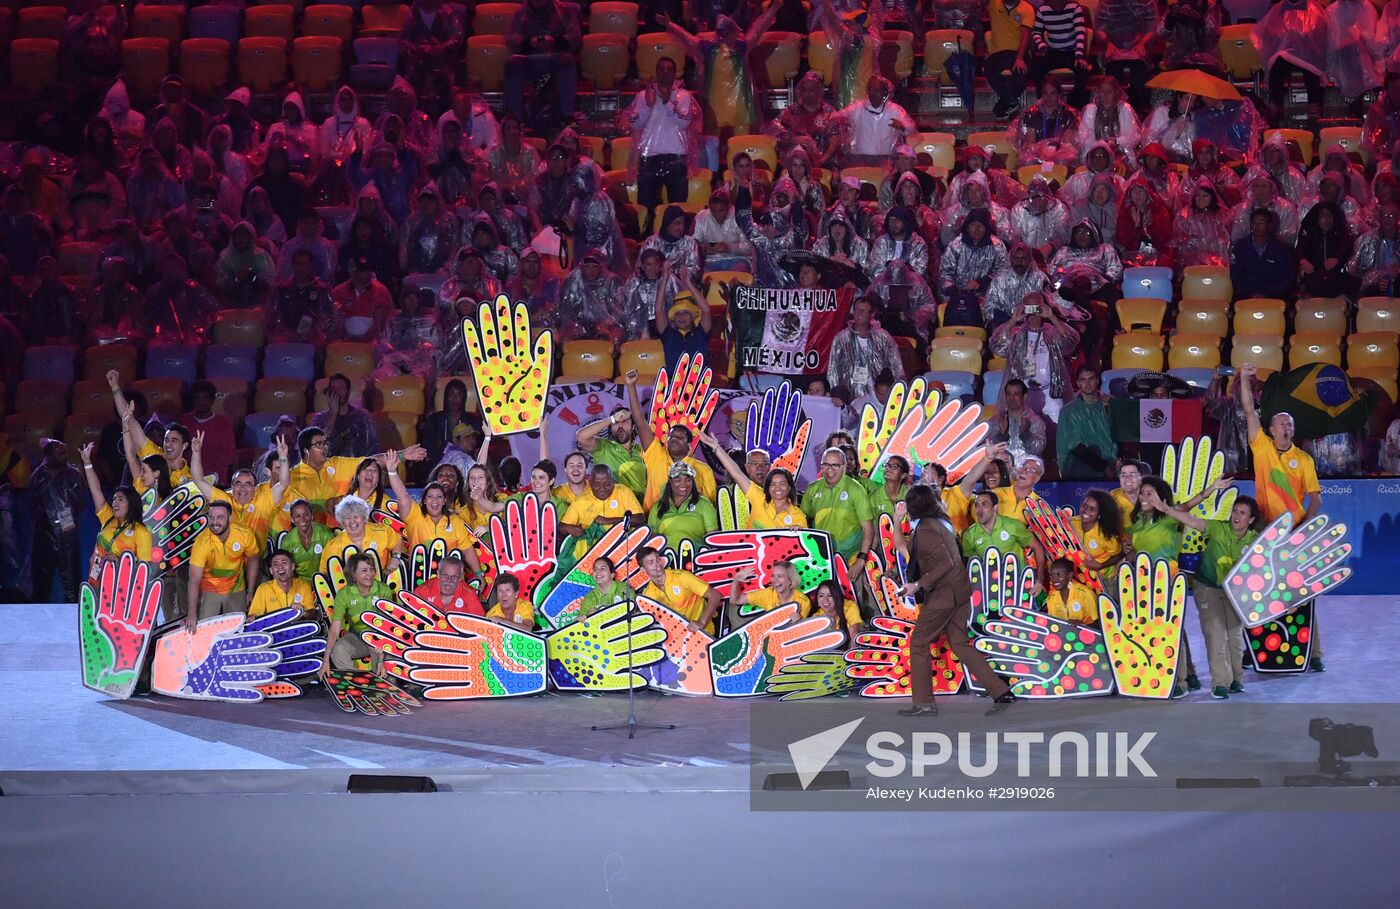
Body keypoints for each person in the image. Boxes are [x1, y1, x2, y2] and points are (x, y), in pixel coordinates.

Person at [899, 485, 1015, 717]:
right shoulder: (938, 523)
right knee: (960, 643)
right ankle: (1001, 693)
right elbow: (902, 547)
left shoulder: (926, 529)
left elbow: (945, 563)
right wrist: (895, 521)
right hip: (959, 592)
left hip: (945, 594)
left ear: (913, 506)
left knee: (919, 642)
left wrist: (918, 584)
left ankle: (924, 703)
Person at [1191, 495, 1263, 698]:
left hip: (1236, 593)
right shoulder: (1219, 529)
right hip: (1207, 586)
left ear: (1250, 519)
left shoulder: (1255, 541)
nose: (1236, 515)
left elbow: (1267, 572)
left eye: (1242, 512)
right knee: (1216, 634)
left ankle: (1236, 680)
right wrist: (1166, 508)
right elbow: (1193, 521)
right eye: (1235, 511)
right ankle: (1220, 683)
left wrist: (1286, 601)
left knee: (1234, 637)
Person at [622, 57, 698, 233]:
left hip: (676, 157)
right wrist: (648, 106)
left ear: (674, 73)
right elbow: (634, 124)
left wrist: (667, 103)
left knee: (676, 208)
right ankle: (647, 243)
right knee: (646, 208)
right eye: (661, 69)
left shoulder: (683, 96)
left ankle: (678, 243)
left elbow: (684, 123)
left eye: (669, 69)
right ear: (656, 72)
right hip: (649, 158)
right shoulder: (643, 96)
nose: (665, 72)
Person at [623, 370, 718, 509]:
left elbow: (712, 505)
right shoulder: (656, 454)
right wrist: (631, 386)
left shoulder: (703, 470)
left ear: (690, 446)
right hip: (653, 524)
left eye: (680, 437)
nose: (674, 439)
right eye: (671, 436)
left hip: (690, 527)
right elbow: (640, 423)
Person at [189, 432, 290, 554]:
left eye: (248, 484)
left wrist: (283, 457)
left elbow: (284, 482)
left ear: (255, 488)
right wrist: (196, 453)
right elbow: (198, 479)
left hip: (256, 561)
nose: (243, 488)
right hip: (229, 561)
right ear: (232, 487)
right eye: (238, 483)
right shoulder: (224, 500)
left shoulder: (263, 501)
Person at [990, 293, 1078, 423]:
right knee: (1025, 433)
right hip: (1024, 394)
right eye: (1028, 308)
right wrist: (1012, 321)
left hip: (1050, 393)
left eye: (1036, 308)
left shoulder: (1051, 332)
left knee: (1058, 433)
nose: (1032, 313)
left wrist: (1052, 317)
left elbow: (1071, 341)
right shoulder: (1016, 334)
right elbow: (996, 345)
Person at [700, 432, 807, 529]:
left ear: (789, 487)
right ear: (768, 488)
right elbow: (737, 474)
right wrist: (717, 448)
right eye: (773, 484)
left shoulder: (799, 516)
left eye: (782, 483)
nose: (777, 488)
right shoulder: (759, 498)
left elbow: (806, 547)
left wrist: (798, 536)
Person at [504, 0, 581, 123]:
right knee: (513, 64)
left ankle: (567, 114)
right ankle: (516, 118)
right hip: (528, 59)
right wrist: (528, 42)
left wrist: (555, 41)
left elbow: (575, 37)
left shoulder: (563, 10)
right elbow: (510, 39)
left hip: (555, 57)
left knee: (567, 60)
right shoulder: (520, 13)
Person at [186, 500, 260, 626]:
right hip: (209, 590)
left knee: (237, 630)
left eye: (220, 517)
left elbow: (253, 560)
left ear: (230, 518)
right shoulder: (202, 541)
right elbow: (194, 580)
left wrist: (250, 590)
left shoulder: (245, 534)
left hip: (237, 589)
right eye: (211, 517)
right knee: (206, 631)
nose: (214, 522)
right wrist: (191, 613)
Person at [1255, 0, 1330, 122]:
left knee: (1311, 68)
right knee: (1277, 66)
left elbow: (1319, 33)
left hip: (1308, 52)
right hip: (1285, 53)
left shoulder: (1314, 9)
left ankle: (1314, 103)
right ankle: (1276, 102)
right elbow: (1269, 33)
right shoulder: (1277, 10)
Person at [29, 440, 85, 602]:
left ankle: (73, 617)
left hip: (68, 536)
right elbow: (32, 506)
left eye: (64, 453)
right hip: (44, 537)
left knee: (72, 583)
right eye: (59, 454)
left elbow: (81, 503)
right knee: (41, 583)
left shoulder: (73, 475)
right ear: (48, 455)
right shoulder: (38, 476)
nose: (64, 457)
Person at [803, 447, 874, 567]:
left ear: (844, 466)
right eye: (826, 465)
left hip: (851, 560)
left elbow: (868, 529)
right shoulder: (812, 489)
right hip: (820, 558)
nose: (830, 470)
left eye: (835, 465)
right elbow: (803, 519)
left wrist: (861, 559)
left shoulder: (857, 490)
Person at [826, 297, 905, 405]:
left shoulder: (883, 337)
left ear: (872, 314)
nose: (859, 313)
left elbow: (897, 366)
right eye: (857, 309)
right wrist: (837, 395)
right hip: (850, 398)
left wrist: (899, 391)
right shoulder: (841, 339)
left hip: (879, 396)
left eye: (864, 310)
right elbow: (833, 371)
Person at [326, 552, 396, 670]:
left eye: (372, 569)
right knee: (338, 650)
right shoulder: (344, 594)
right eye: (364, 571)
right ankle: (354, 683)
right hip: (357, 637)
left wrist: (381, 657)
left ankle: (382, 685)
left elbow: (388, 625)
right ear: (353, 574)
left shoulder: (383, 590)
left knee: (384, 669)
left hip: (379, 637)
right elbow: (334, 629)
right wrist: (326, 659)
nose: (370, 574)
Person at [559, 465, 646, 554]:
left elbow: (640, 519)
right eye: (597, 484)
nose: (602, 488)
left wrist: (610, 521)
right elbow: (562, 527)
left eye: (607, 484)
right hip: (594, 553)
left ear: (613, 481)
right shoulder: (581, 501)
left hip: (624, 548)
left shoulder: (623, 492)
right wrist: (569, 528)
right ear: (590, 483)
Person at [637, 546, 723, 633]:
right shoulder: (648, 594)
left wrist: (701, 622)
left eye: (658, 559)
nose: (657, 564)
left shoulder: (682, 577)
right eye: (650, 562)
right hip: (676, 640)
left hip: (703, 632)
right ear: (643, 569)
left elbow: (715, 595)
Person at [1029, 0, 1094, 108]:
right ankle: (1043, 104)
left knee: (1083, 71)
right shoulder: (1042, 10)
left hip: (1072, 51)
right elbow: (1036, 32)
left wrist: (1079, 55)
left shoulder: (1074, 7)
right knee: (1036, 68)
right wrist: (1042, 45)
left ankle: (1074, 106)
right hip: (1052, 51)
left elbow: (1080, 32)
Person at [1056, 366, 1117, 479]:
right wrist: (1104, 467)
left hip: (1112, 466)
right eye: (1083, 380)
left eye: (1091, 379)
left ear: (1097, 381)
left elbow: (1119, 434)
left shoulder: (1110, 404)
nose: (1087, 384)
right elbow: (1073, 446)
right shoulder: (1069, 411)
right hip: (1082, 472)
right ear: (1078, 383)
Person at [321, 494, 406, 574]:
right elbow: (324, 573)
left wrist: (396, 557)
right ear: (342, 522)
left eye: (356, 516)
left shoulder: (382, 532)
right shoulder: (333, 547)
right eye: (347, 518)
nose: (352, 521)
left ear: (364, 517)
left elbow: (397, 541)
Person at [840, 76, 915, 164]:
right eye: (870, 89)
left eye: (876, 90)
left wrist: (902, 127)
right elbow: (837, 116)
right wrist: (842, 122)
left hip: (885, 158)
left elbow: (911, 130)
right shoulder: (858, 107)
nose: (872, 93)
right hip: (860, 157)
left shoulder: (895, 110)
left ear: (885, 92)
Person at [648, 462, 719, 553]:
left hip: (695, 559)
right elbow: (652, 540)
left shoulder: (704, 504)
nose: (683, 484)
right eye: (678, 480)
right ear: (670, 482)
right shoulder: (658, 507)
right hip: (667, 559)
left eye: (688, 480)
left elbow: (712, 538)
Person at [1231, 208, 1298, 301]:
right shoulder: (1240, 247)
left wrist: (1267, 294)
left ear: (1269, 225)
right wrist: (1251, 294)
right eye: (1254, 223)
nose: (1256, 226)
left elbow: (1287, 277)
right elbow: (1236, 276)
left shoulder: (1282, 249)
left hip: (1274, 299)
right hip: (1246, 298)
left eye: (1261, 223)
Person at [985, 0, 1037, 119]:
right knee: (988, 69)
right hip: (997, 53)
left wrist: (1019, 58)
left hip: (1018, 52)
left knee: (1020, 71)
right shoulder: (993, 3)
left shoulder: (1027, 8)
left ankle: (1005, 102)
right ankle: (1011, 101)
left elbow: (1025, 35)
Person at [961, 489, 1038, 567]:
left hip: (1017, 578)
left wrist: (1040, 577)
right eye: (977, 505)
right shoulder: (969, 535)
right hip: (989, 579)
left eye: (984, 504)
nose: (979, 509)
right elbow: (970, 566)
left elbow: (1036, 546)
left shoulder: (1013, 525)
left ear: (995, 507)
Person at [310, 374, 380, 459]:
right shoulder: (319, 419)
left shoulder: (362, 417)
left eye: (341, 389)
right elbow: (317, 447)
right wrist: (333, 413)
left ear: (348, 391)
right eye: (333, 389)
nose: (337, 393)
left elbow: (372, 449)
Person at [655, 272, 712, 374]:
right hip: (673, 385)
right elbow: (658, 311)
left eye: (685, 313)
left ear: (692, 316)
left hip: (698, 385)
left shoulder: (701, 333)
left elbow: (706, 310)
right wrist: (664, 280)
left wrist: (688, 283)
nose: (681, 317)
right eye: (678, 314)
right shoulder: (669, 335)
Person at [331, 255, 394, 343]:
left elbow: (379, 325)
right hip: (344, 344)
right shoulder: (338, 292)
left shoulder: (381, 291)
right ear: (353, 272)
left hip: (372, 344)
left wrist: (363, 340)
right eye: (364, 270)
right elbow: (336, 322)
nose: (369, 273)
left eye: (370, 269)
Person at [1073, 489, 1124, 586]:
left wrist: (1102, 565)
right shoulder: (1071, 524)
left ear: (1100, 514)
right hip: (1080, 581)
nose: (1086, 510)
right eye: (1084, 506)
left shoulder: (1107, 534)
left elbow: (1119, 554)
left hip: (1105, 581)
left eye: (1092, 509)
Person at [992, 378, 1048, 465]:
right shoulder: (998, 420)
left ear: (1024, 396)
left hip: (1026, 470)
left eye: (1016, 394)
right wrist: (1002, 434)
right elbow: (989, 448)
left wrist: (1026, 434)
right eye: (1008, 394)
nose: (1011, 398)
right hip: (1004, 469)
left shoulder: (1034, 421)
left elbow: (1038, 449)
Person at [279, 499, 337, 582]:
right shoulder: (288, 541)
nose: (302, 519)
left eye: (306, 514)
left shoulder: (324, 534)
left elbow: (333, 562)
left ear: (311, 515)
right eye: (298, 516)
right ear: (292, 518)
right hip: (300, 583)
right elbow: (288, 570)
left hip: (326, 580)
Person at [730, 560, 810, 618]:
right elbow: (736, 600)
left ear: (790, 580)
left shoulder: (803, 601)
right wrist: (736, 580)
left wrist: (799, 621)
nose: (775, 580)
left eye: (780, 576)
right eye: (773, 576)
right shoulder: (768, 594)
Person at [248, 550, 316, 618]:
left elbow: (312, 613)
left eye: (284, 562)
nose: (280, 567)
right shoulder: (263, 589)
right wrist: (252, 617)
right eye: (275, 564)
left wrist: (302, 611)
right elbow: (254, 615)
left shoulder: (304, 585)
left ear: (292, 566)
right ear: (271, 570)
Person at [413, 554, 483, 616]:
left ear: (460, 578)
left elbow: (479, 620)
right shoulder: (422, 591)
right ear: (438, 574)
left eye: (454, 576)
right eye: (445, 575)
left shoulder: (469, 594)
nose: (449, 580)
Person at [1044, 557, 1098, 625]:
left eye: (1058, 574)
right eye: (1052, 575)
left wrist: (1082, 627)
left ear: (1070, 575)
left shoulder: (1085, 594)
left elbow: (1100, 624)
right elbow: (1054, 625)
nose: (1054, 579)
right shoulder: (1051, 598)